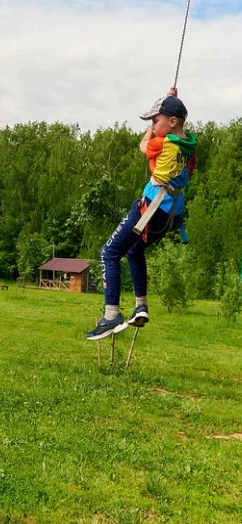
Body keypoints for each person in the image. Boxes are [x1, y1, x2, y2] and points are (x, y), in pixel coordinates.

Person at [86, 90, 197, 340]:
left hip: (151, 207)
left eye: (155, 120)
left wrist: (151, 132)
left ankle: (111, 315)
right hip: (171, 213)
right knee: (135, 252)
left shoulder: (164, 141)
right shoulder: (190, 143)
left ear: (173, 122)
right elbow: (189, 169)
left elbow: (143, 147)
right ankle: (141, 307)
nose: (152, 125)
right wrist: (169, 101)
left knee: (109, 253)